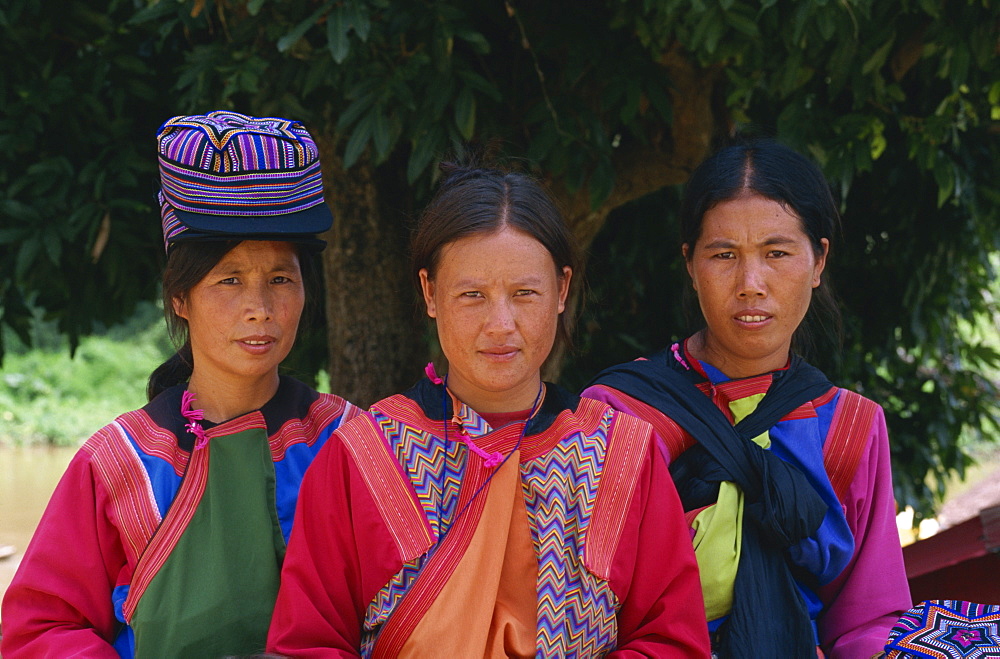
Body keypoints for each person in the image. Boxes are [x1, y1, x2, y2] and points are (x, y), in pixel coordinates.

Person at [266, 162, 711, 657]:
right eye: (472, 295)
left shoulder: (625, 457)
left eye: (524, 294)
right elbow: (309, 643)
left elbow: (671, 640)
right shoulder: (360, 457)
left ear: (562, 290)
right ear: (430, 292)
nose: (501, 324)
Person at [0, 111, 360, 658]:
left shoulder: (351, 443)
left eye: (281, 279)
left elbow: (406, 615)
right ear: (179, 298)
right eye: (229, 280)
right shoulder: (120, 464)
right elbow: (37, 630)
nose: (259, 309)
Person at [583, 139, 912, 658]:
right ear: (691, 264)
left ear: (818, 260)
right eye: (724, 255)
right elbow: (578, 612)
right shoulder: (619, 416)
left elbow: (866, 620)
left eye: (777, 253)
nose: (751, 284)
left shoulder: (849, 428)